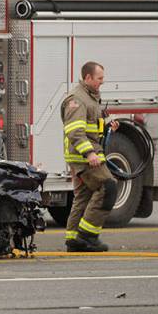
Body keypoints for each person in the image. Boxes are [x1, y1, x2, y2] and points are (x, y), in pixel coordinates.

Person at [61, 61, 119, 252]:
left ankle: (73, 239)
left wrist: (108, 124)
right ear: (88, 78)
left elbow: (93, 121)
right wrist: (90, 153)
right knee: (108, 186)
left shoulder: (90, 96)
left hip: (84, 156)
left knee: (83, 197)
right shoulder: (77, 99)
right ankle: (88, 236)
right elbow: (75, 132)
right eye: (99, 78)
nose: (103, 81)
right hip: (83, 157)